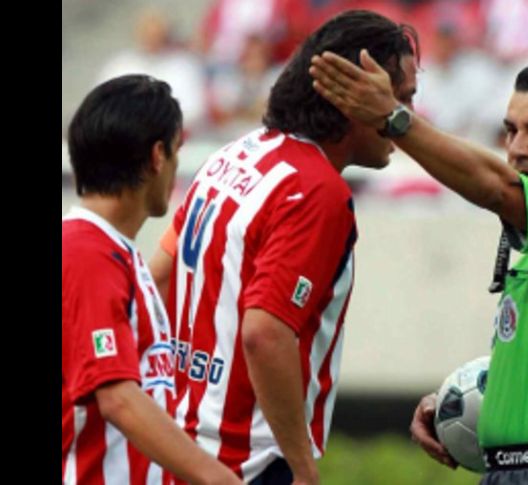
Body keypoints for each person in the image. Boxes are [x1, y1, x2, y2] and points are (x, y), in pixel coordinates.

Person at [309, 54, 528, 484]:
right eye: (511, 130)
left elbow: (497, 188)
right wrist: (456, 402)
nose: (517, 148)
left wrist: (394, 119)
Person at [148, 10, 419, 485]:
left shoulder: (235, 153)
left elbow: (160, 275)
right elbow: (265, 332)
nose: (408, 118)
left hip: (181, 453)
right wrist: (302, 467)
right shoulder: (317, 191)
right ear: (354, 95)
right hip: (249, 462)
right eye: (403, 98)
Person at [62, 75, 241, 484]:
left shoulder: (115, 253)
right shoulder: (85, 253)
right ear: (158, 156)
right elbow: (118, 398)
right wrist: (221, 479)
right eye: (177, 151)